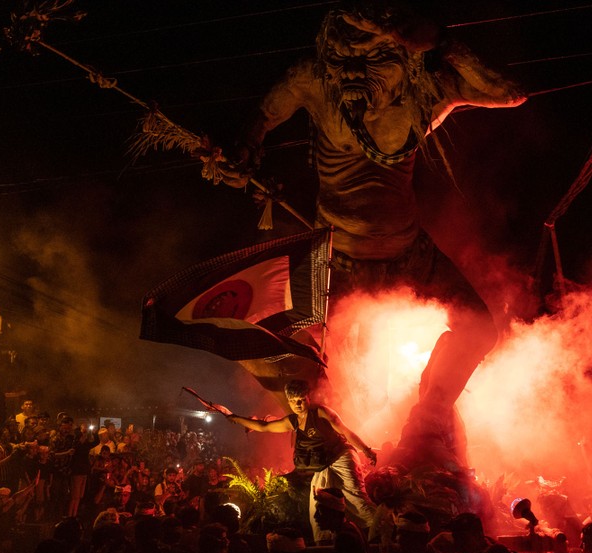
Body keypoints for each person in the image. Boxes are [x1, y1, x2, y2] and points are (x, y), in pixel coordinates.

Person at [221, 1, 526, 471]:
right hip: (334, 257)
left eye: (373, 60)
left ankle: (427, 420)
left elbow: (510, 92)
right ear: (328, 59)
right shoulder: (315, 81)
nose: (354, 74)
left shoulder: (425, 93)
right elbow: (255, 123)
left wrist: (444, 43)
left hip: (408, 250)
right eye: (343, 62)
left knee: (479, 327)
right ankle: (322, 467)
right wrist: (239, 153)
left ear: (403, 57)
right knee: (284, 354)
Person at [224, 379, 377, 542]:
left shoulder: (321, 412)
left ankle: (381, 532)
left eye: (301, 400)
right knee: (317, 509)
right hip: (322, 467)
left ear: (308, 398)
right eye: (293, 401)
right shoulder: (293, 421)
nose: (297, 404)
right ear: (289, 401)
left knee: (356, 499)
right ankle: (325, 545)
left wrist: (366, 450)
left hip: (342, 457)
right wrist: (233, 417)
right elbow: (264, 426)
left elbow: (346, 431)